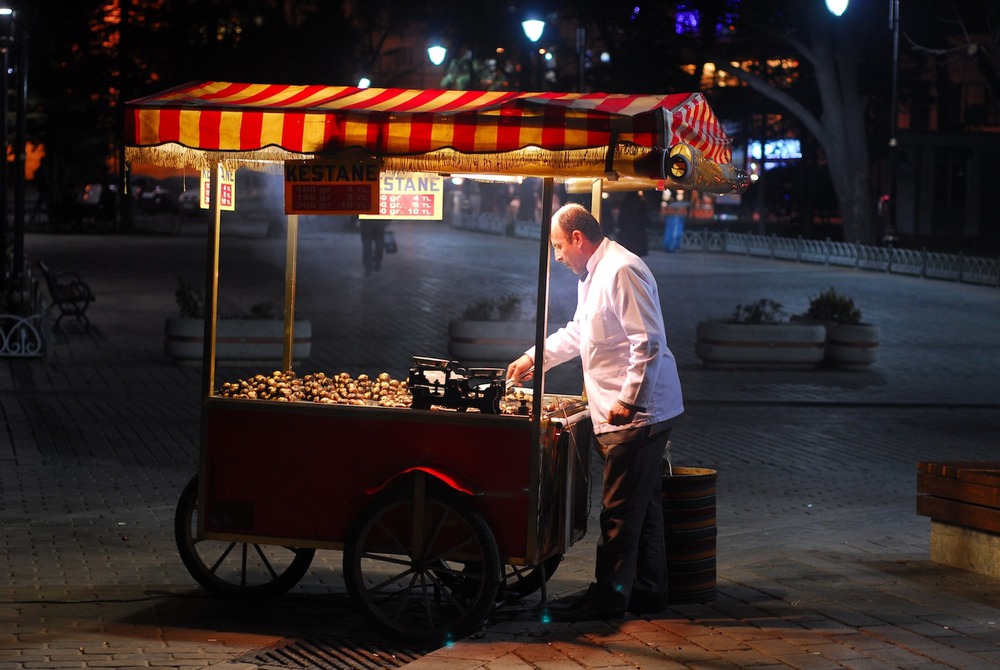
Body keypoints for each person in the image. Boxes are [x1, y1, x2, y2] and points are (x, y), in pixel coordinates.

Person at [506, 202, 683, 622]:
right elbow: (580, 331)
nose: (558, 257)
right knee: (645, 510)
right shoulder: (595, 274)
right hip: (630, 413)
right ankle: (648, 592)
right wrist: (535, 357)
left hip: (638, 416)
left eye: (558, 247)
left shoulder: (622, 269)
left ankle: (608, 598)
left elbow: (648, 342)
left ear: (577, 238)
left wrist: (630, 400)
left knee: (618, 513)